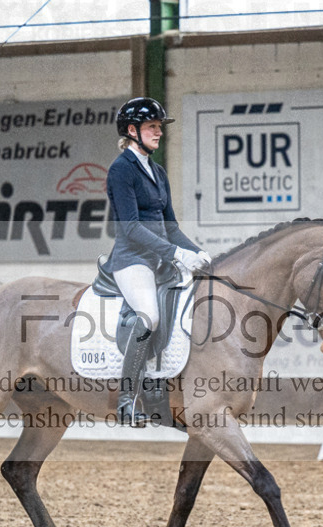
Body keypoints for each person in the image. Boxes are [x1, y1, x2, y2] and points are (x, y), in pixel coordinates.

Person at [103, 97, 211, 427]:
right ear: (132, 130)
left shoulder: (158, 171)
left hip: (161, 260)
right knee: (149, 315)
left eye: (160, 127)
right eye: (152, 126)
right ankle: (126, 401)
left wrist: (198, 252)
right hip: (132, 260)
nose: (159, 132)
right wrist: (176, 254)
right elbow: (131, 228)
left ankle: (159, 391)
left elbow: (171, 228)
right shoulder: (121, 170)